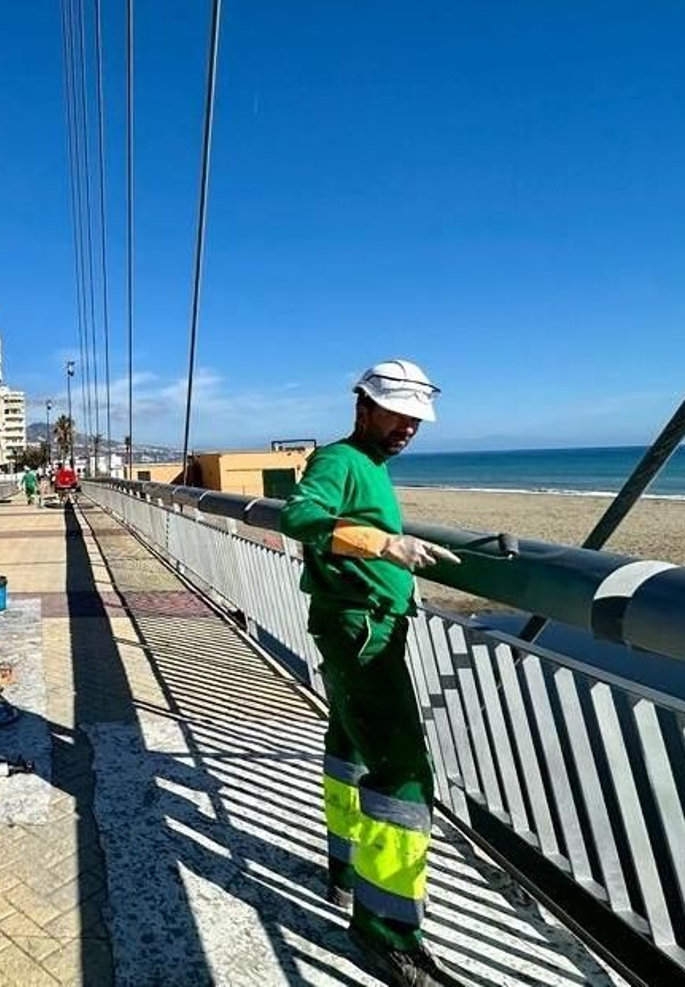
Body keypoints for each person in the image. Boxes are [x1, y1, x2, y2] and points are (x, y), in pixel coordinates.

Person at [279, 359, 461, 987]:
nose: (407, 428)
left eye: (414, 419)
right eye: (397, 415)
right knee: (405, 769)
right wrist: (385, 545)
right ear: (363, 406)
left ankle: (343, 865)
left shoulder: (372, 465)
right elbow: (299, 517)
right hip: (360, 631)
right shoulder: (340, 460)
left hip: (363, 625)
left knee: (350, 741)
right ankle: (387, 932)